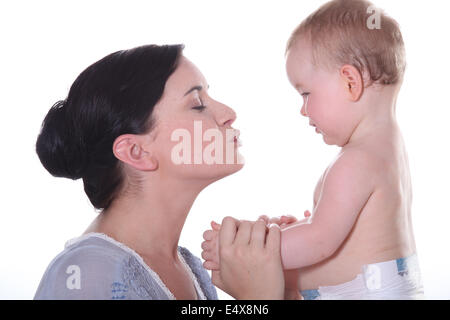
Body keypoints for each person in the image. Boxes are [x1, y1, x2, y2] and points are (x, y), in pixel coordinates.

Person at [201, 0, 425, 300]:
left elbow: (319, 240)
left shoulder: (356, 161)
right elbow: (338, 232)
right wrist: (289, 231)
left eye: (306, 93)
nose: (303, 110)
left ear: (350, 82)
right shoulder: (387, 149)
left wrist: (242, 250)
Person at [34, 44, 282, 300]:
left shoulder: (188, 268)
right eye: (197, 104)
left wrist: (284, 288)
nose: (229, 114)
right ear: (136, 152)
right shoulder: (87, 276)